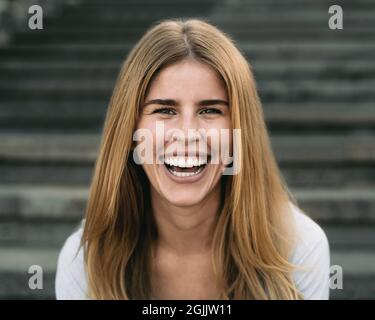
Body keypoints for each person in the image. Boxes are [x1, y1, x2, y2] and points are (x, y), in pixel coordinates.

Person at [55, 18, 330, 300]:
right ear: (131, 129)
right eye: (165, 110)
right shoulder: (83, 263)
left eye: (210, 111)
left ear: (239, 132)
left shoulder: (300, 249)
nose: (188, 135)